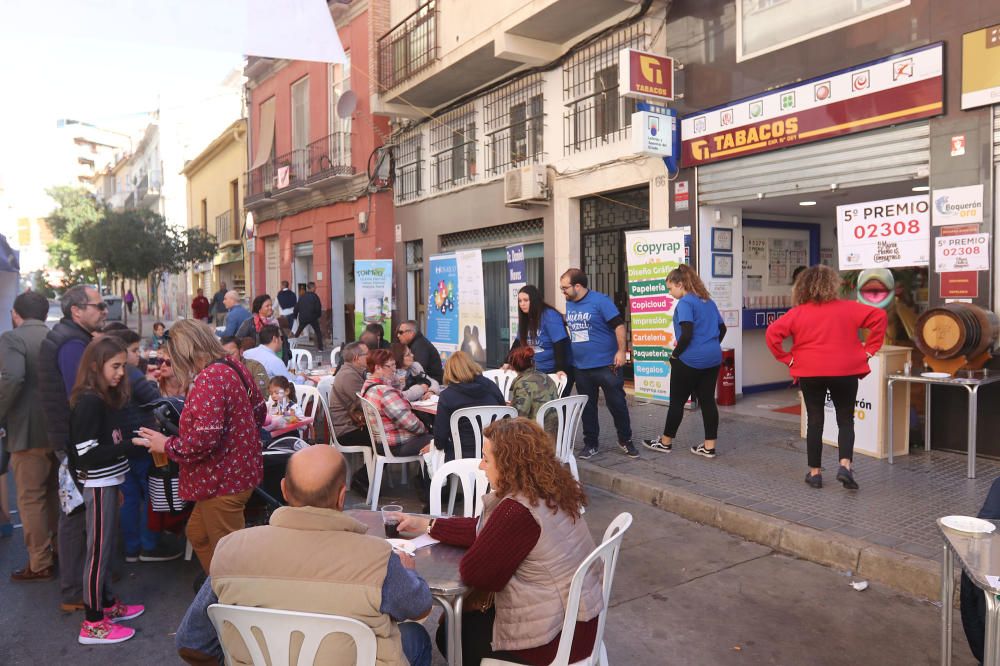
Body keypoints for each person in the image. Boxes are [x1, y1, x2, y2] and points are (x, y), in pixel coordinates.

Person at [174, 445, 433, 666]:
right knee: (415, 637)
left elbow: (191, 643)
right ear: (342, 497)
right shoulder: (377, 557)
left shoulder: (230, 550)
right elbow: (419, 606)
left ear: (284, 490)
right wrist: (408, 570)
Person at [397, 418, 602, 665]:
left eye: (486, 458)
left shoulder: (517, 510)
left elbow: (477, 574)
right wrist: (430, 525)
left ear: (508, 465)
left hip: (552, 642)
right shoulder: (550, 489)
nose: (482, 466)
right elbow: (486, 531)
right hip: (578, 621)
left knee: (450, 633)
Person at [133, 319, 267, 573]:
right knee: (199, 535)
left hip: (223, 481)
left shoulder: (210, 378)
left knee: (229, 558)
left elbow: (203, 441)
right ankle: (218, 590)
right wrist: (238, 437)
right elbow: (259, 411)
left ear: (185, 351)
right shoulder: (232, 365)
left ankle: (232, 602)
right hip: (234, 475)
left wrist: (166, 444)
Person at [765, 265, 887, 490]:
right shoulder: (850, 308)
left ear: (803, 287)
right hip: (845, 370)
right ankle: (845, 466)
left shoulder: (798, 312)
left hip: (810, 371)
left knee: (815, 421)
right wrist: (869, 350)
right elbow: (879, 316)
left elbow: (773, 334)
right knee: (845, 420)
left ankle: (815, 473)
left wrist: (787, 359)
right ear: (833, 285)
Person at [68, 336, 145, 645]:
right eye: (115, 366)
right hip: (99, 484)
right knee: (98, 553)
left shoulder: (102, 397)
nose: (120, 373)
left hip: (108, 482)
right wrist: (130, 444)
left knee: (105, 548)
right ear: (96, 366)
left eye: (123, 367)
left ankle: (107, 604)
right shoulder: (89, 401)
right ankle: (93, 622)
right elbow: (85, 452)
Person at [39, 284, 107, 612]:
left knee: (76, 512)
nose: (103, 310)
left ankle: (80, 585)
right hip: (74, 441)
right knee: (78, 513)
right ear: (76, 310)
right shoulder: (71, 343)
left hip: (69, 437)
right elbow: (79, 392)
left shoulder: (72, 338)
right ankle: (76, 590)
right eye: (98, 305)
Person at [104, 327, 181, 563]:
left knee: (129, 499)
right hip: (141, 441)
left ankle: (131, 547)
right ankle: (148, 544)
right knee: (149, 497)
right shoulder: (131, 374)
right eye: (135, 350)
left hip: (122, 442)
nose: (138, 355)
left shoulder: (112, 375)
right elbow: (156, 401)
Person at [2, 292, 59, 582]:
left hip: (27, 432)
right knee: (52, 494)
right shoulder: (53, 337)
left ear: (15, 314)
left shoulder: (13, 339)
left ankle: (39, 561)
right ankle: (58, 548)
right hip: (56, 429)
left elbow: (12, 378)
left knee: (30, 498)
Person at [643, 265, 727, 458]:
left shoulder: (685, 303)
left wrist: (675, 355)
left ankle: (665, 442)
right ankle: (709, 447)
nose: (670, 293)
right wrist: (709, 345)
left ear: (680, 284)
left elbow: (687, 333)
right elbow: (722, 330)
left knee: (677, 402)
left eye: (670, 288)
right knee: (707, 401)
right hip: (713, 358)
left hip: (690, 360)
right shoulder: (708, 301)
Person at [560, 268, 638, 460]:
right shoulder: (569, 303)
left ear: (578, 286)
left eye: (565, 288)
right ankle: (591, 444)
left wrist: (621, 351)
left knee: (617, 403)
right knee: (587, 407)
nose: (563, 292)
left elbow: (619, 325)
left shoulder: (600, 301)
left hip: (606, 365)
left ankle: (625, 439)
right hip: (581, 366)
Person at [433, 351, 506, 461]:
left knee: (432, 453)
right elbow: (505, 415)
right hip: (495, 451)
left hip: (462, 455)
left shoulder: (447, 396)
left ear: (448, 372)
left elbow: (440, 441)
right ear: (472, 365)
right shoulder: (491, 386)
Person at [359, 348, 432, 456]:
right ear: (378, 368)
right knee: (438, 443)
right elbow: (411, 424)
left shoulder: (367, 385)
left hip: (380, 441)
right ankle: (427, 473)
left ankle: (420, 473)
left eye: (395, 365)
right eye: (390, 366)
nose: (394, 369)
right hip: (396, 444)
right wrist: (426, 429)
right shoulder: (386, 392)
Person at [509, 285, 571, 393]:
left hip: (553, 371)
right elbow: (518, 342)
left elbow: (560, 343)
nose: (522, 304)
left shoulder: (550, 315)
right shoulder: (526, 317)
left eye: (526, 300)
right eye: (520, 301)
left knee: (553, 406)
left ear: (534, 300)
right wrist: (507, 362)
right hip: (535, 370)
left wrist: (560, 368)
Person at [507, 346, 559, 435]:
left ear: (513, 365)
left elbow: (519, 417)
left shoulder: (523, 384)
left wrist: (506, 410)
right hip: (554, 432)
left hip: (536, 436)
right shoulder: (546, 377)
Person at [328, 342, 370, 447]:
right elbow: (367, 405)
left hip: (351, 425)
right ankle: (373, 464)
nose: (370, 356)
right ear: (356, 358)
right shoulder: (349, 376)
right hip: (347, 430)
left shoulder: (351, 371)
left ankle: (374, 463)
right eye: (367, 354)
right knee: (386, 437)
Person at [242, 325, 314, 385]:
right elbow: (290, 385)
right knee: (310, 383)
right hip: (271, 395)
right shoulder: (274, 361)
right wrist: (302, 378)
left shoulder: (247, 353)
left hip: (251, 392)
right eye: (281, 338)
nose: (282, 341)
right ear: (275, 339)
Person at [293, 281, 324, 352]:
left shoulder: (302, 296)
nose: (316, 288)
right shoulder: (315, 296)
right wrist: (318, 316)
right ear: (312, 288)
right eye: (315, 287)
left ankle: (292, 345)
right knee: (318, 332)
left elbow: (296, 307)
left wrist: (295, 316)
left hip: (303, 318)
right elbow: (318, 307)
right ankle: (320, 348)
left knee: (298, 332)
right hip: (313, 317)